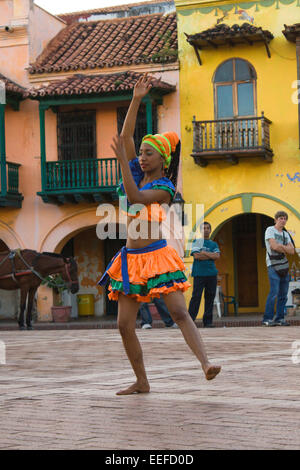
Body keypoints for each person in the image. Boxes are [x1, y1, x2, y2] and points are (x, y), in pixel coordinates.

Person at [99, 73, 221, 395]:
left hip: (157, 256)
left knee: (180, 312)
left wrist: (122, 163)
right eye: (140, 152)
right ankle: (141, 381)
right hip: (130, 259)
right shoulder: (137, 172)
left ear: (162, 160)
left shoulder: (164, 187)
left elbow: (136, 198)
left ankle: (205, 363)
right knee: (125, 326)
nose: (140, 156)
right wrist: (136, 99)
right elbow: (125, 139)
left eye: (147, 153)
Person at [262, 211, 295, 326]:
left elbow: (292, 251)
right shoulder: (270, 230)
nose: (283, 220)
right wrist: (284, 247)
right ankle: (267, 319)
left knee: (283, 294)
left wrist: (281, 247)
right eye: (281, 218)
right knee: (274, 292)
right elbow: (273, 246)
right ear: (275, 220)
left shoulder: (286, 234)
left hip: (284, 266)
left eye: (285, 218)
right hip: (272, 264)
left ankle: (279, 319)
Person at [188, 222, 220, 327]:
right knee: (196, 297)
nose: (206, 230)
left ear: (210, 230)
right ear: (201, 231)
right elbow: (197, 256)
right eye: (204, 228)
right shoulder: (196, 242)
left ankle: (208, 322)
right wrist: (210, 255)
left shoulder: (214, 244)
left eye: (208, 228)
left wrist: (204, 253)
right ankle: (190, 321)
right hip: (199, 274)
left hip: (211, 274)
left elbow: (217, 256)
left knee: (210, 298)